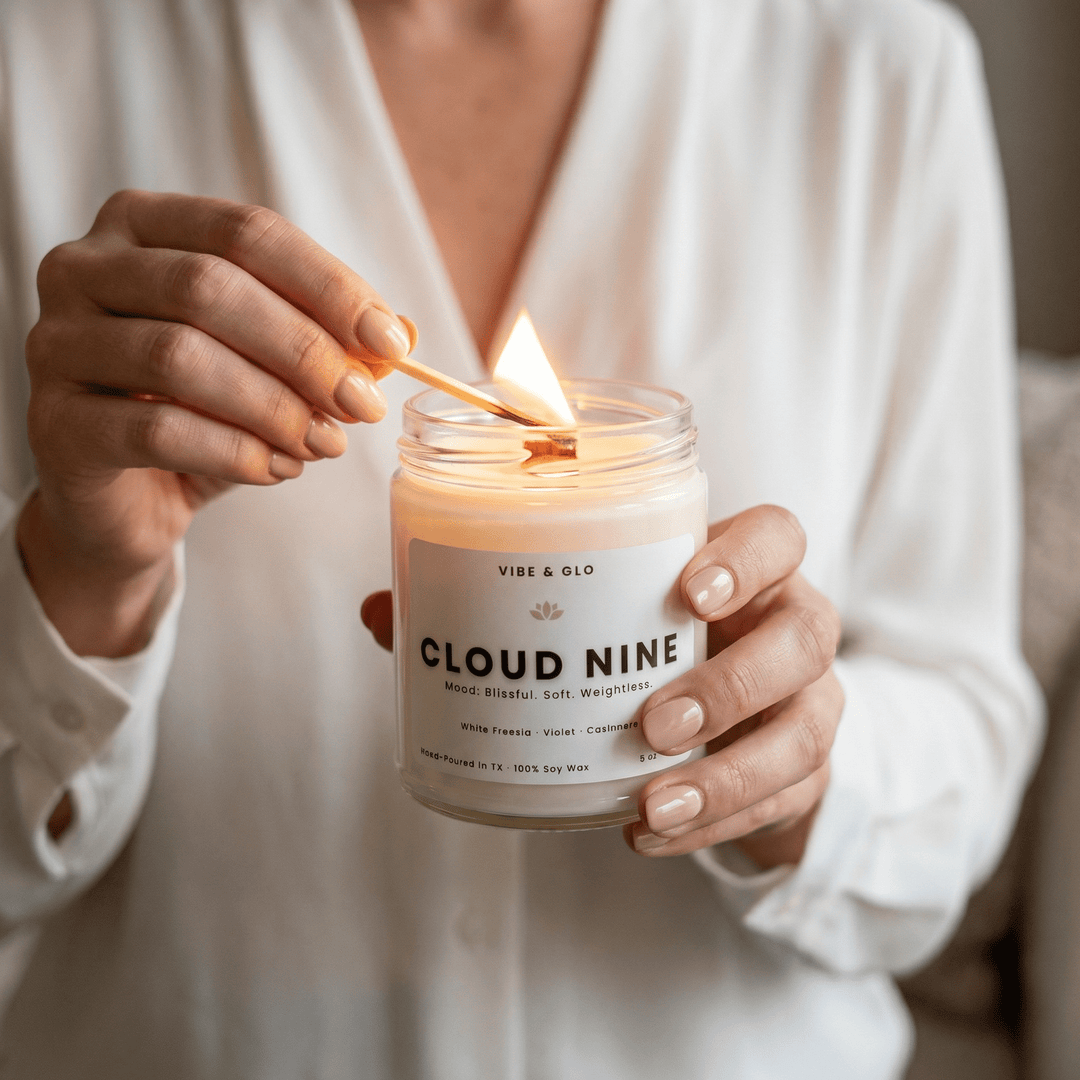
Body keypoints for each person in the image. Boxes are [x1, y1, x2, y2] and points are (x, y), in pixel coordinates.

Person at [0, 0, 1043, 1076]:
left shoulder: (877, 71)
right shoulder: (42, 58)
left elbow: (962, 702)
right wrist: (80, 574)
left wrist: (802, 776)